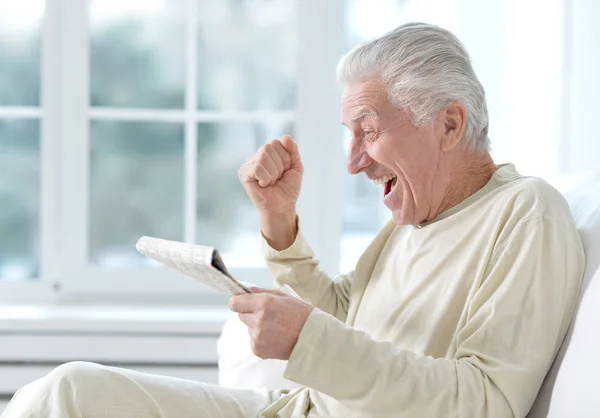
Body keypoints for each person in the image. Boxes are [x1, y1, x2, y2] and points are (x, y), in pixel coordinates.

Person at [2, 22, 584, 418]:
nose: (354, 161)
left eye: (370, 131)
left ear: (450, 125)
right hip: (291, 407)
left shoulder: (525, 214)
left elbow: (483, 402)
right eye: (350, 136)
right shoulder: (415, 214)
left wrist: (309, 339)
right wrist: (280, 224)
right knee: (69, 389)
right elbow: (347, 320)